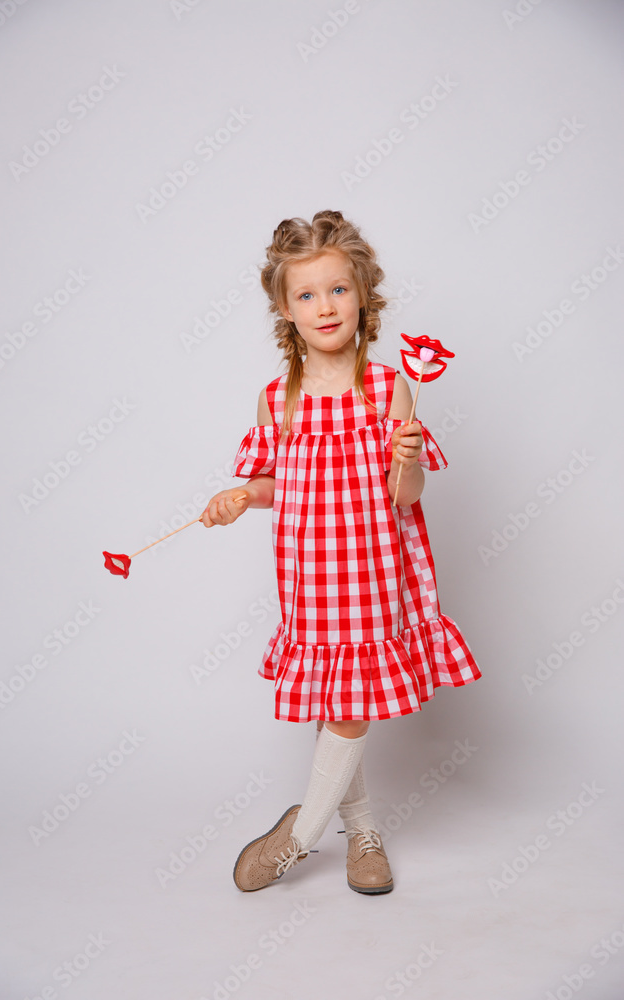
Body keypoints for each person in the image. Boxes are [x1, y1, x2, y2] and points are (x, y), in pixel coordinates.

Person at [201, 210, 481, 894]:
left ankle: (298, 837)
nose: (324, 306)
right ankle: (360, 831)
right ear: (283, 309)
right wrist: (242, 496)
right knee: (335, 696)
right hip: (308, 571)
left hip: (372, 570)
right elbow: (278, 482)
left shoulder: (388, 389)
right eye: (306, 294)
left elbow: (406, 495)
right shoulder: (280, 399)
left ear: (363, 296)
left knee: (348, 705)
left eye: (337, 290)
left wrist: (407, 460)